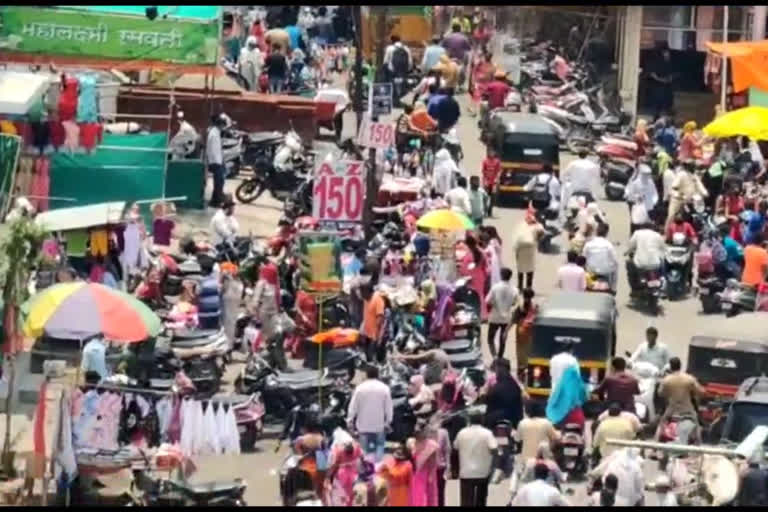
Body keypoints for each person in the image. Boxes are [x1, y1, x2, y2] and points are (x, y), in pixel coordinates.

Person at [347, 365, 393, 462]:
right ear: (378, 375)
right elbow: (388, 407)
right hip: (379, 426)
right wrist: (388, 422)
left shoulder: (360, 388)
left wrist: (350, 421)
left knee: (364, 451)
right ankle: (377, 467)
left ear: (366, 375)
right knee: (379, 447)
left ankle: (366, 471)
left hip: (363, 426)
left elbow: (353, 407)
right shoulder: (384, 388)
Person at [454, 410, 497, 507]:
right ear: (482, 420)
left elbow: (455, 448)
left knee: (466, 501)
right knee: (481, 500)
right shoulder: (487, 433)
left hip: (466, 472)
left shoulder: (462, 433)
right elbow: (494, 449)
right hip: (483, 472)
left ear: (469, 420)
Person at [658, 356, 706, 425]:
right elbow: (701, 392)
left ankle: (656, 436)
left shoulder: (666, 380)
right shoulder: (690, 379)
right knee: (697, 428)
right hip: (687, 411)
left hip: (671, 410)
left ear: (671, 367)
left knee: (661, 426)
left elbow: (660, 393)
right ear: (680, 366)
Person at [485, 267, 519, 359]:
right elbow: (515, 303)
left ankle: (494, 356)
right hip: (507, 318)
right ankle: (500, 357)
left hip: (495, 317)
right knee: (503, 339)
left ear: (501, 275)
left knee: (490, 339)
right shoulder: (515, 290)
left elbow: (487, 300)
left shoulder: (495, 287)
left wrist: (494, 304)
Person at [666, 160, 708, 231]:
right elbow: (674, 187)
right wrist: (679, 195)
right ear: (687, 167)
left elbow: (700, 185)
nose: (694, 167)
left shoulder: (694, 176)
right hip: (678, 199)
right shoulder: (681, 174)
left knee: (692, 217)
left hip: (689, 201)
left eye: (694, 166)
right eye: (692, 165)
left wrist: (705, 193)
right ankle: (667, 233)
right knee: (671, 216)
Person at [327, 429, 363, 506]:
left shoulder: (337, 449)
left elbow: (334, 463)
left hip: (342, 472)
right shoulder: (356, 446)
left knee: (342, 492)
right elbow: (362, 456)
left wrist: (329, 474)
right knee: (351, 491)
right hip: (354, 471)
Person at [626, 221, 666, 292]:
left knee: (629, 264)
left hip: (640, 264)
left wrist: (627, 252)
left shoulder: (637, 233)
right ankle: (661, 280)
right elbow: (663, 248)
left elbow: (631, 246)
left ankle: (634, 288)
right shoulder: (657, 235)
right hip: (655, 263)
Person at [485, 358, 524, 429]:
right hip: (514, 420)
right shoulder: (515, 385)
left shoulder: (496, 387)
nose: (496, 374)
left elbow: (488, 400)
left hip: (499, 419)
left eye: (496, 371)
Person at [406, 422, 439, 506]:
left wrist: (431, 476)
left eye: (421, 431)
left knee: (427, 496)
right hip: (413, 473)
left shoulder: (431, 445)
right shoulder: (411, 442)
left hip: (426, 474)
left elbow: (433, 463)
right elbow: (407, 459)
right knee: (413, 496)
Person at [546, 362, 587, 430]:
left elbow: (555, 398)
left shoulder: (561, 385)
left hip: (563, 417)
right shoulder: (580, 384)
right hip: (578, 417)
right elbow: (585, 397)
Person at [512, 208, 544, 290]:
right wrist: (515, 249)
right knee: (520, 269)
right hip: (521, 250)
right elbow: (516, 237)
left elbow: (541, 233)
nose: (529, 218)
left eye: (531, 216)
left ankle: (528, 286)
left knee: (530, 269)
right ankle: (520, 286)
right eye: (528, 216)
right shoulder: (521, 225)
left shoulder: (537, 226)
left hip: (530, 251)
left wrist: (536, 223)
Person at [583, 222, 619, 291]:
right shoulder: (608, 245)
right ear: (606, 233)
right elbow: (615, 261)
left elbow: (583, 258)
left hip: (591, 272)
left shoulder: (588, 244)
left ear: (596, 232)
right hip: (605, 272)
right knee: (616, 266)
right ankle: (613, 288)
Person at [624, 163, 658, 233]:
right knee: (635, 220)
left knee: (645, 222)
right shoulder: (635, 181)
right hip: (635, 204)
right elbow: (629, 193)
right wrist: (637, 197)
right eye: (645, 174)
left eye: (648, 174)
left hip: (647, 205)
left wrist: (654, 202)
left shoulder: (650, 182)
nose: (647, 176)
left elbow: (654, 193)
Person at [360, 283, 387, 363]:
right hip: (367, 332)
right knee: (367, 353)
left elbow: (380, 317)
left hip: (375, 334)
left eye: (362, 292)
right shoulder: (366, 299)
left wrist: (377, 335)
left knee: (374, 355)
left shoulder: (377, 299)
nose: (361, 294)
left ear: (368, 291)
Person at [512, 288, 537, 374]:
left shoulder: (520, 306)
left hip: (521, 330)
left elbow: (513, 320)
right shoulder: (535, 306)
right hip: (530, 331)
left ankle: (521, 368)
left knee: (520, 350)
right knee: (529, 349)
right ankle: (527, 367)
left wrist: (506, 331)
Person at [649, 45, 675, 119]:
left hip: (667, 86)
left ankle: (666, 119)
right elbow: (652, 74)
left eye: (668, 53)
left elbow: (672, 73)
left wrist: (670, 78)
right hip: (658, 86)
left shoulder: (670, 62)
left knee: (667, 103)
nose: (667, 54)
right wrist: (661, 80)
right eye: (666, 53)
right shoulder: (657, 62)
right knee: (658, 103)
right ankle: (656, 118)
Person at [206, 115, 225, 207]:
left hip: (217, 161)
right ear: (220, 125)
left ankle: (215, 200)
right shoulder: (214, 133)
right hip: (216, 162)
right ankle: (216, 201)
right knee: (218, 183)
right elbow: (213, 150)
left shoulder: (215, 132)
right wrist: (218, 162)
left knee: (219, 182)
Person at [481, 148, 502, 217]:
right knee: (485, 197)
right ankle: (484, 210)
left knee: (492, 197)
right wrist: (485, 181)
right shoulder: (485, 161)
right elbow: (483, 171)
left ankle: (490, 211)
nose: (491, 153)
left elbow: (499, 171)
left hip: (494, 183)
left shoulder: (497, 161)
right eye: (490, 152)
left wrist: (497, 179)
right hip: (486, 182)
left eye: (492, 152)